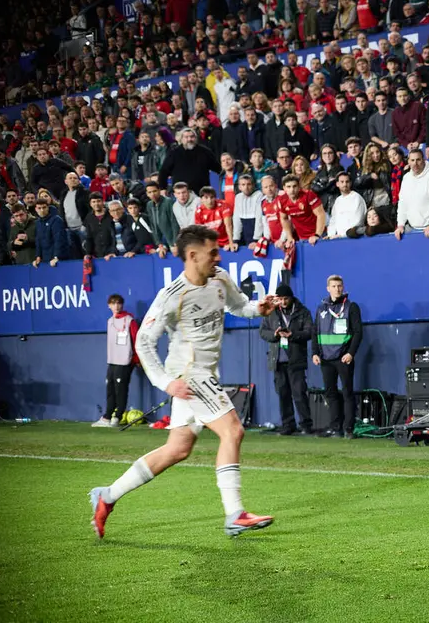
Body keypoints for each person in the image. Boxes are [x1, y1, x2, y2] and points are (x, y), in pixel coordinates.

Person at [89, 225, 278, 539]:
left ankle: (106, 496)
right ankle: (235, 514)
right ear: (192, 255)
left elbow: (237, 305)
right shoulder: (171, 297)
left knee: (176, 449)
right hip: (189, 378)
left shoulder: (219, 278)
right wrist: (166, 382)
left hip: (204, 377)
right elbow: (144, 343)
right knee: (233, 430)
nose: (218, 256)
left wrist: (258, 308)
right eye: (212, 252)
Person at [260, 283, 314, 436]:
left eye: (286, 299)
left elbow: (310, 332)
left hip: (295, 360)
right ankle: (288, 425)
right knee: (283, 394)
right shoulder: (272, 313)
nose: (283, 302)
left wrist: (293, 334)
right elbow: (263, 332)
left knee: (299, 394)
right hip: (278, 360)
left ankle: (306, 425)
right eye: (281, 299)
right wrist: (275, 335)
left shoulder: (302, 312)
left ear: (291, 298)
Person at [313, 275, 363, 439]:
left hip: (343, 357)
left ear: (343, 287)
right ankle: (336, 428)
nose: (337, 289)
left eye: (339, 286)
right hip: (326, 358)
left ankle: (348, 429)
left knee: (347, 392)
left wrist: (351, 353)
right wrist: (315, 352)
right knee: (331, 393)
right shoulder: (321, 308)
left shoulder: (351, 307)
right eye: (334, 286)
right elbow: (315, 332)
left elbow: (358, 332)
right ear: (328, 288)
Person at [94, 294, 140, 427]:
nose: (116, 306)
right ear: (109, 306)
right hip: (112, 360)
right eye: (113, 303)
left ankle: (117, 417)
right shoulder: (110, 321)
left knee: (121, 389)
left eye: (119, 303)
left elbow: (136, 340)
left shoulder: (130, 320)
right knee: (110, 388)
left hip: (125, 361)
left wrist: (136, 359)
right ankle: (107, 417)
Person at [394, 150, 429, 239]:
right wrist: (401, 225)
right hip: (413, 228)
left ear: (423, 160)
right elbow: (403, 203)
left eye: (418, 160)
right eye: (412, 160)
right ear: (408, 161)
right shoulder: (406, 178)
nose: (415, 163)